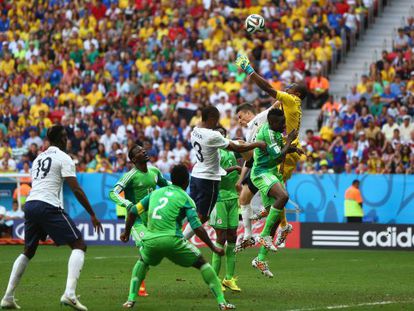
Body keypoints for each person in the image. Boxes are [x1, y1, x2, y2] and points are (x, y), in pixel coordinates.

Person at [1, 125, 103, 311]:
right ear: (60, 139)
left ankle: (7, 297)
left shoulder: (38, 158)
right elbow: (77, 189)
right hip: (48, 205)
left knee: (28, 251)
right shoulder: (64, 158)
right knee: (79, 244)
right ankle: (70, 294)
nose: (67, 140)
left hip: (31, 205)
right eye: (65, 136)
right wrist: (92, 214)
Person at [120, 164, 235, 310]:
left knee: (142, 261)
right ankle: (222, 302)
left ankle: (130, 300)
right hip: (172, 240)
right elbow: (196, 226)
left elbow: (133, 211)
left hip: (151, 241)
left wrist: (125, 232)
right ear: (187, 182)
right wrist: (213, 247)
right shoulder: (186, 198)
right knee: (202, 263)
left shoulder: (155, 193)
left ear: (171, 179)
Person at [235, 52, 307, 249]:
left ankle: (273, 231)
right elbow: (275, 105)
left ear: (296, 94)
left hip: (287, 149)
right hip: (288, 146)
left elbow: (268, 88)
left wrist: (248, 69)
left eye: (290, 87)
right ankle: (277, 223)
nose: (287, 88)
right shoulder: (290, 104)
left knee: (278, 191)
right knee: (275, 185)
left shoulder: (292, 100)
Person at [182, 106, 266, 240]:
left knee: (195, 212)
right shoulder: (212, 135)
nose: (217, 123)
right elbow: (236, 147)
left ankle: (180, 237)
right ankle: (180, 241)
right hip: (208, 179)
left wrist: (237, 142)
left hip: (196, 175)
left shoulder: (195, 130)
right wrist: (257, 144)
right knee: (203, 216)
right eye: (216, 119)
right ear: (211, 118)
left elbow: (232, 144)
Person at [109, 144, 170, 298]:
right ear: (134, 159)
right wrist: (128, 204)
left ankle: (140, 281)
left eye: (143, 149)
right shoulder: (131, 175)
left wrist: (178, 188)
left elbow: (166, 185)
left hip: (152, 220)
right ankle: (139, 286)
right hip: (136, 220)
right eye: (139, 151)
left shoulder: (155, 171)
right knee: (145, 247)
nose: (144, 151)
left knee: (152, 251)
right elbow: (113, 193)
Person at [250, 109, 300, 277]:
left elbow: (280, 149)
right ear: (272, 123)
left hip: (271, 172)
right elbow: (278, 156)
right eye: (281, 123)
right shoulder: (269, 134)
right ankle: (263, 235)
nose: (284, 125)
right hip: (261, 173)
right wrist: (290, 141)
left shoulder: (274, 131)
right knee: (283, 197)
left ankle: (260, 259)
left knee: (275, 220)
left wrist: (292, 149)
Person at [234, 101, 281, 251]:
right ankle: (249, 235)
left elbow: (276, 105)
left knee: (276, 203)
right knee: (243, 199)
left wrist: (288, 93)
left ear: (248, 113)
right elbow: (249, 160)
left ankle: (272, 232)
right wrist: (240, 180)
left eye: (240, 117)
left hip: (267, 166)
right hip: (257, 165)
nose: (239, 121)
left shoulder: (260, 118)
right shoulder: (249, 132)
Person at [208, 127, 242, 292]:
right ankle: (214, 280)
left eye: (223, 134)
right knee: (220, 237)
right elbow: (215, 174)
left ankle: (229, 278)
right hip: (219, 198)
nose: (221, 136)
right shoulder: (213, 154)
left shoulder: (231, 152)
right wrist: (235, 169)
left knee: (232, 236)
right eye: (218, 134)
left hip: (232, 198)